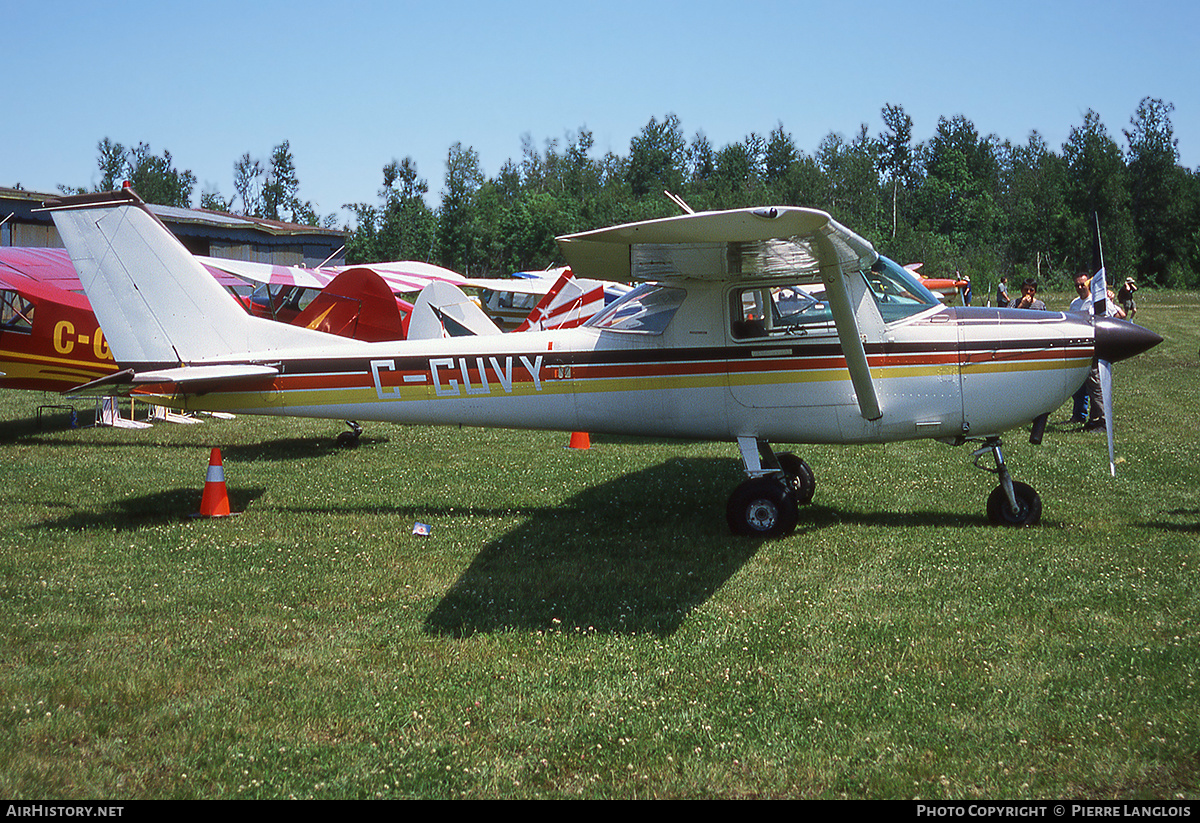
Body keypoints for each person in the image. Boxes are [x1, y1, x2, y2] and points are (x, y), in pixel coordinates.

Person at [1067, 271, 1124, 430]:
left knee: (1096, 385)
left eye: (1082, 284)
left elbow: (1120, 316)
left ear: (1089, 285)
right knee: (1083, 385)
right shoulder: (1075, 303)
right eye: (1077, 285)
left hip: (1095, 346)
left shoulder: (1098, 301)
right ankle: (1087, 416)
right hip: (1080, 348)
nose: (1079, 287)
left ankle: (1102, 420)